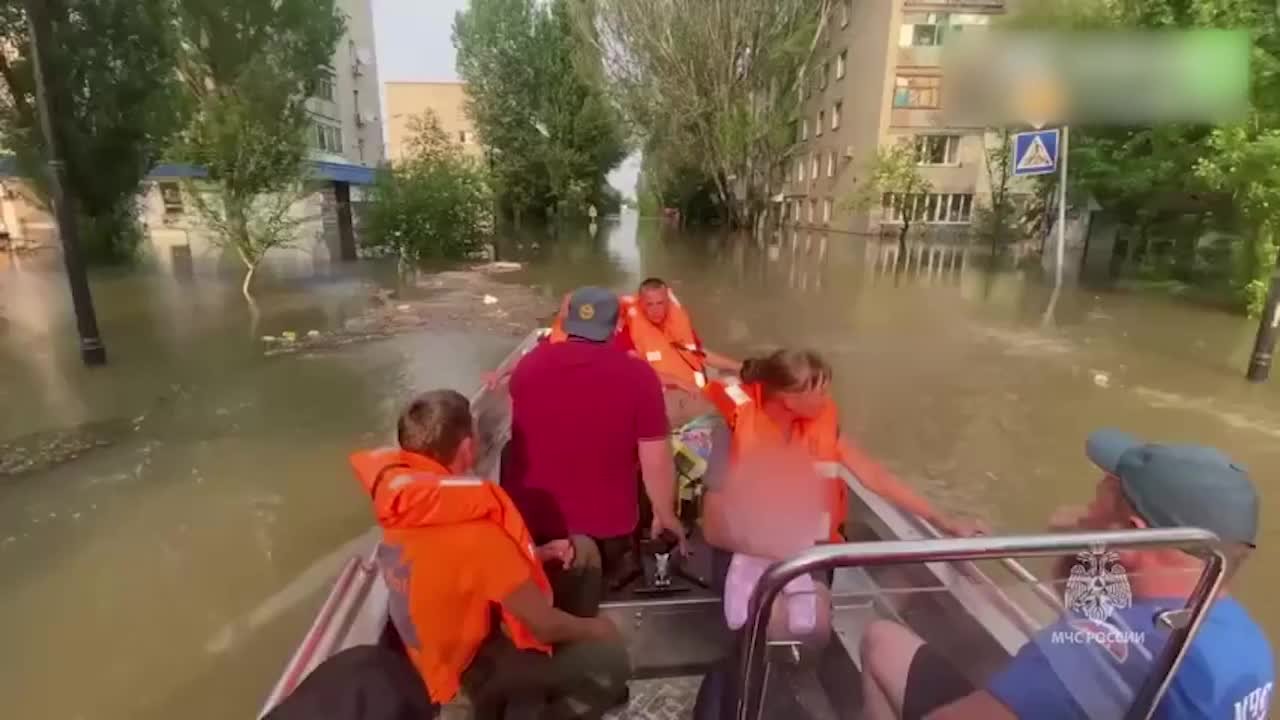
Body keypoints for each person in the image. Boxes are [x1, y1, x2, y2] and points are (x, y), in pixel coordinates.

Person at [858, 429, 1274, 720]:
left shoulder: (1105, 648)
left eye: (1098, 501)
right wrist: (1089, 539)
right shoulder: (1250, 646)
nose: (1085, 512)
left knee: (882, 642)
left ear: (1132, 537)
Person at [350, 390, 630, 719]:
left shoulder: (403, 505)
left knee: (580, 551)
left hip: (431, 662)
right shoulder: (476, 532)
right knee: (604, 662)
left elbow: (455, 572)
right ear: (467, 447)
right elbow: (543, 627)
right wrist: (599, 630)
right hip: (468, 678)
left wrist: (536, 555)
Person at [701, 349, 983, 550]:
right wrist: (773, 551)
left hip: (811, 553)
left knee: (815, 620)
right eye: (821, 393)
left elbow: (875, 476)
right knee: (777, 619)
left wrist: (943, 520)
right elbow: (714, 530)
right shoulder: (732, 431)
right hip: (745, 554)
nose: (828, 401)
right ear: (788, 400)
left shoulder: (820, 426)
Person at [501, 286, 687, 589]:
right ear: (617, 327)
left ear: (568, 322)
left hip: (536, 529)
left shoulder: (529, 366)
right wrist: (665, 515)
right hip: (608, 532)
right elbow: (656, 460)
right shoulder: (639, 376)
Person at [616, 277, 740, 395]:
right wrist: (677, 381)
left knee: (733, 381)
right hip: (660, 394)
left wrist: (738, 366)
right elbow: (638, 370)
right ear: (641, 303)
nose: (656, 310)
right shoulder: (628, 329)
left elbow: (699, 353)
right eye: (650, 304)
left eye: (660, 303)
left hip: (691, 387)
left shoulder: (677, 321)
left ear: (668, 302)